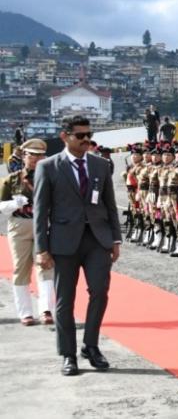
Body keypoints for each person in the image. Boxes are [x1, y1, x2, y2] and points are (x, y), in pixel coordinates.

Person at [33, 116, 122, 376]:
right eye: (80, 135)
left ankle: (91, 346)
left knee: (99, 292)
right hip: (63, 242)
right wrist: (41, 249)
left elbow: (110, 206)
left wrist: (115, 239)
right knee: (64, 301)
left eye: (89, 134)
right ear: (65, 136)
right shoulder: (48, 167)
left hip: (97, 240)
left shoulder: (100, 165)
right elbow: (41, 212)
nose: (86, 140)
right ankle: (68, 354)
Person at [2, 139, 54, 326]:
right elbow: (0, 206)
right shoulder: (13, 179)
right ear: (24, 156)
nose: (36, 158)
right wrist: (14, 204)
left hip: (43, 225)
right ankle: (25, 312)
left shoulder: (50, 177)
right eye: (32, 154)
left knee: (46, 266)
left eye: (40, 155)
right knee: (20, 268)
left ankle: (45, 309)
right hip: (19, 225)